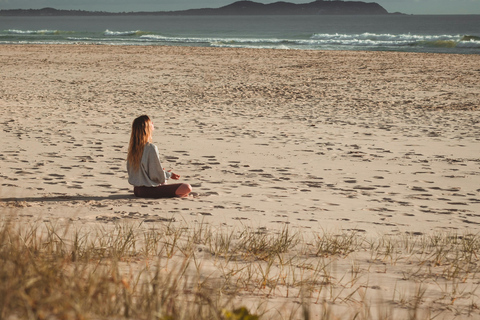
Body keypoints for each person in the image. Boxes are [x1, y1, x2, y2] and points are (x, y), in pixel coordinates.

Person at [127, 115, 192, 198]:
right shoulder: (150, 147)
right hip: (148, 190)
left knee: (165, 181)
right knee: (186, 187)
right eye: (151, 123)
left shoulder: (133, 149)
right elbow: (156, 176)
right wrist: (169, 174)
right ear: (147, 128)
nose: (153, 124)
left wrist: (162, 172)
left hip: (137, 190)